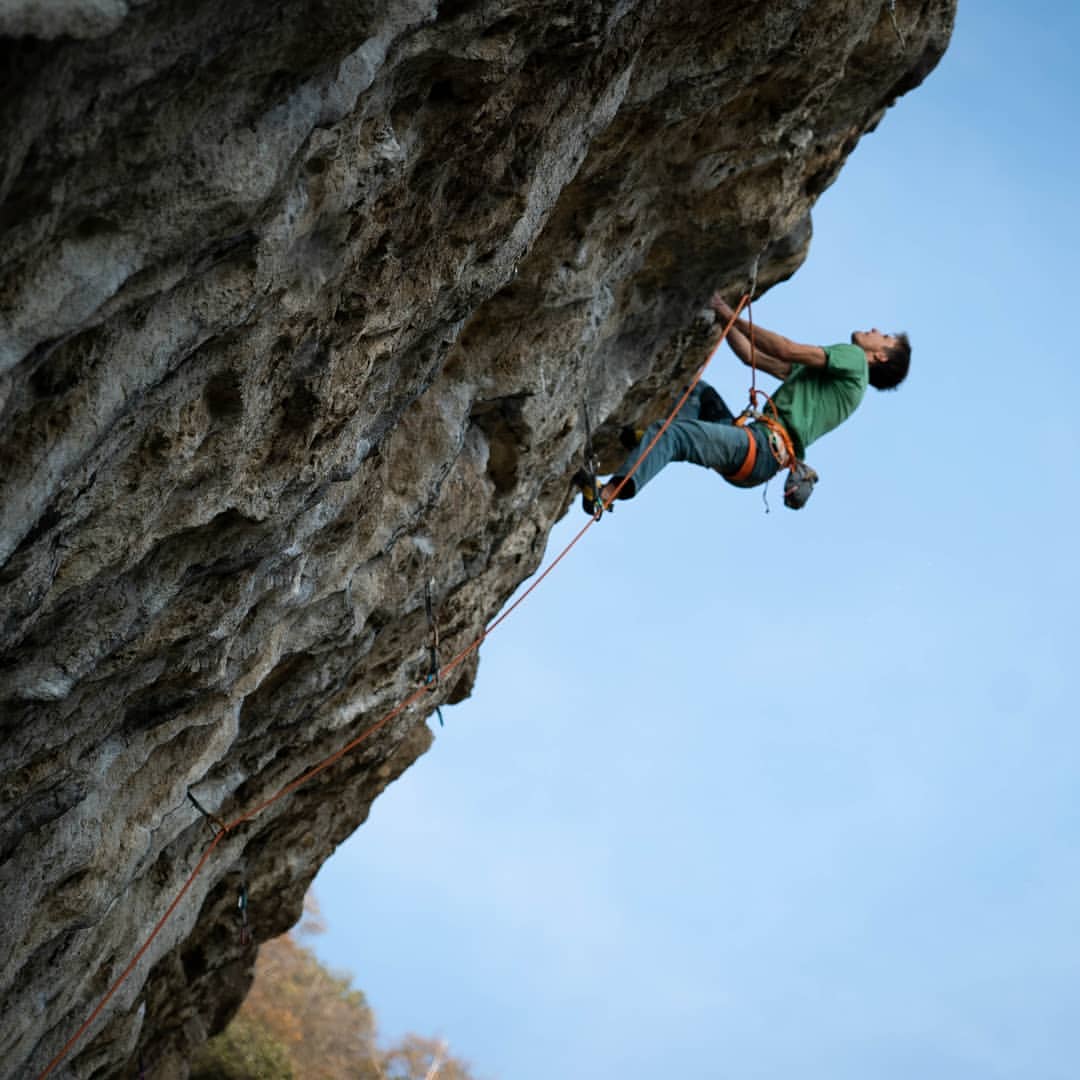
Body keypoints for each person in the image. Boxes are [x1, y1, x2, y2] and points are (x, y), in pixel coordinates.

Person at [583, 292, 910, 511]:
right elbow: (752, 357)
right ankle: (646, 441)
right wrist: (725, 315)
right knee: (696, 391)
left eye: (885, 337)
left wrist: (730, 312)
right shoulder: (835, 382)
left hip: (761, 446)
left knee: (672, 435)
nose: (876, 329)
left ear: (879, 355)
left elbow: (785, 348)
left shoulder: (853, 359)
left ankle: (608, 493)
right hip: (758, 459)